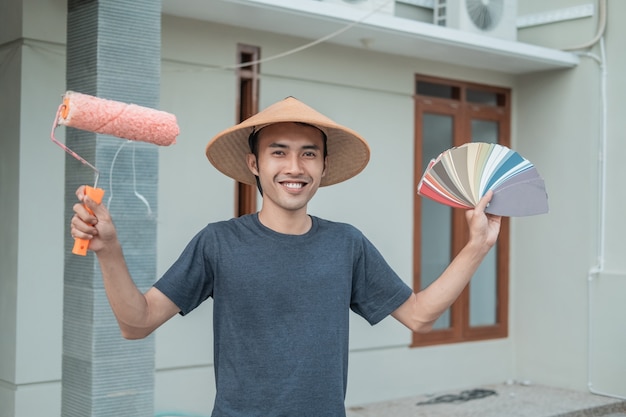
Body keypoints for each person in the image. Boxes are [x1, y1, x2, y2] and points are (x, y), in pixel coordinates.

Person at [71, 96, 501, 417]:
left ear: (324, 167)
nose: (294, 166)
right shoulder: (218, 242)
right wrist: (109, 250)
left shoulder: (346, 244)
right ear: (254, 164)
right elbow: (136, 323)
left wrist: (478, 245)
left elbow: (420, 315)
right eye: (279, 151)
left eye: (308, 153)